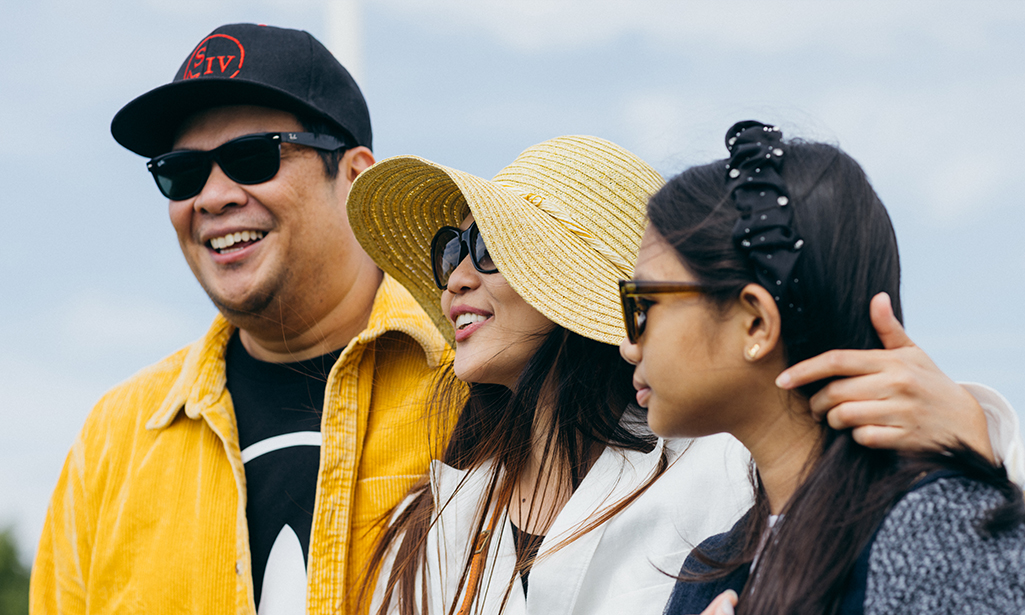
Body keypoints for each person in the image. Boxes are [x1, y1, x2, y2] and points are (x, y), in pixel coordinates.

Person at [344, 135, 1024, 615]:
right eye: (449, 248)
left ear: (754, 322)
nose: (455, 276)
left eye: (489, 247)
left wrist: (974, 441)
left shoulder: (722, 467)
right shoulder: (437, 523)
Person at [30, 24, 458, 614]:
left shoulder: (480, 382)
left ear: (356, 178)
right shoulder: (113, 440)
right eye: (181, 171)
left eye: (251, 157)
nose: (211, 197)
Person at [616, 121, 1025, 615]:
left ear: (755, 323)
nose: (628, 345)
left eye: (641, 303)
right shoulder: (709, 570)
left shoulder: (940, 533)